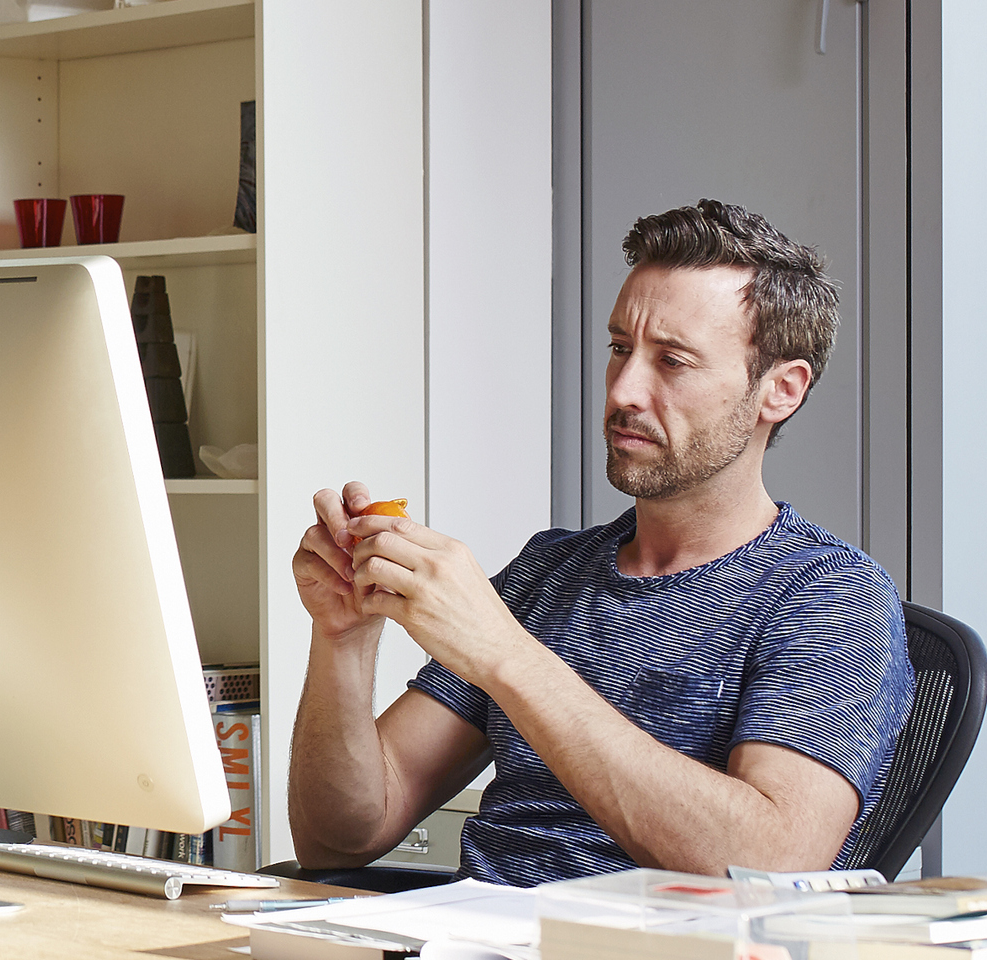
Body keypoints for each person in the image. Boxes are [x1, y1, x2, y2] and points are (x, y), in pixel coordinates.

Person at [287, 199, 913, 886]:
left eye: (672, 362)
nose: (623, 390)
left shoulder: (831, 598)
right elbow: (340, 838)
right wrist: (343, 641)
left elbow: (766, 861)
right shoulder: (549, 572)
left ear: (780, 391)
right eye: (620, 349)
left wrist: (504, 654)